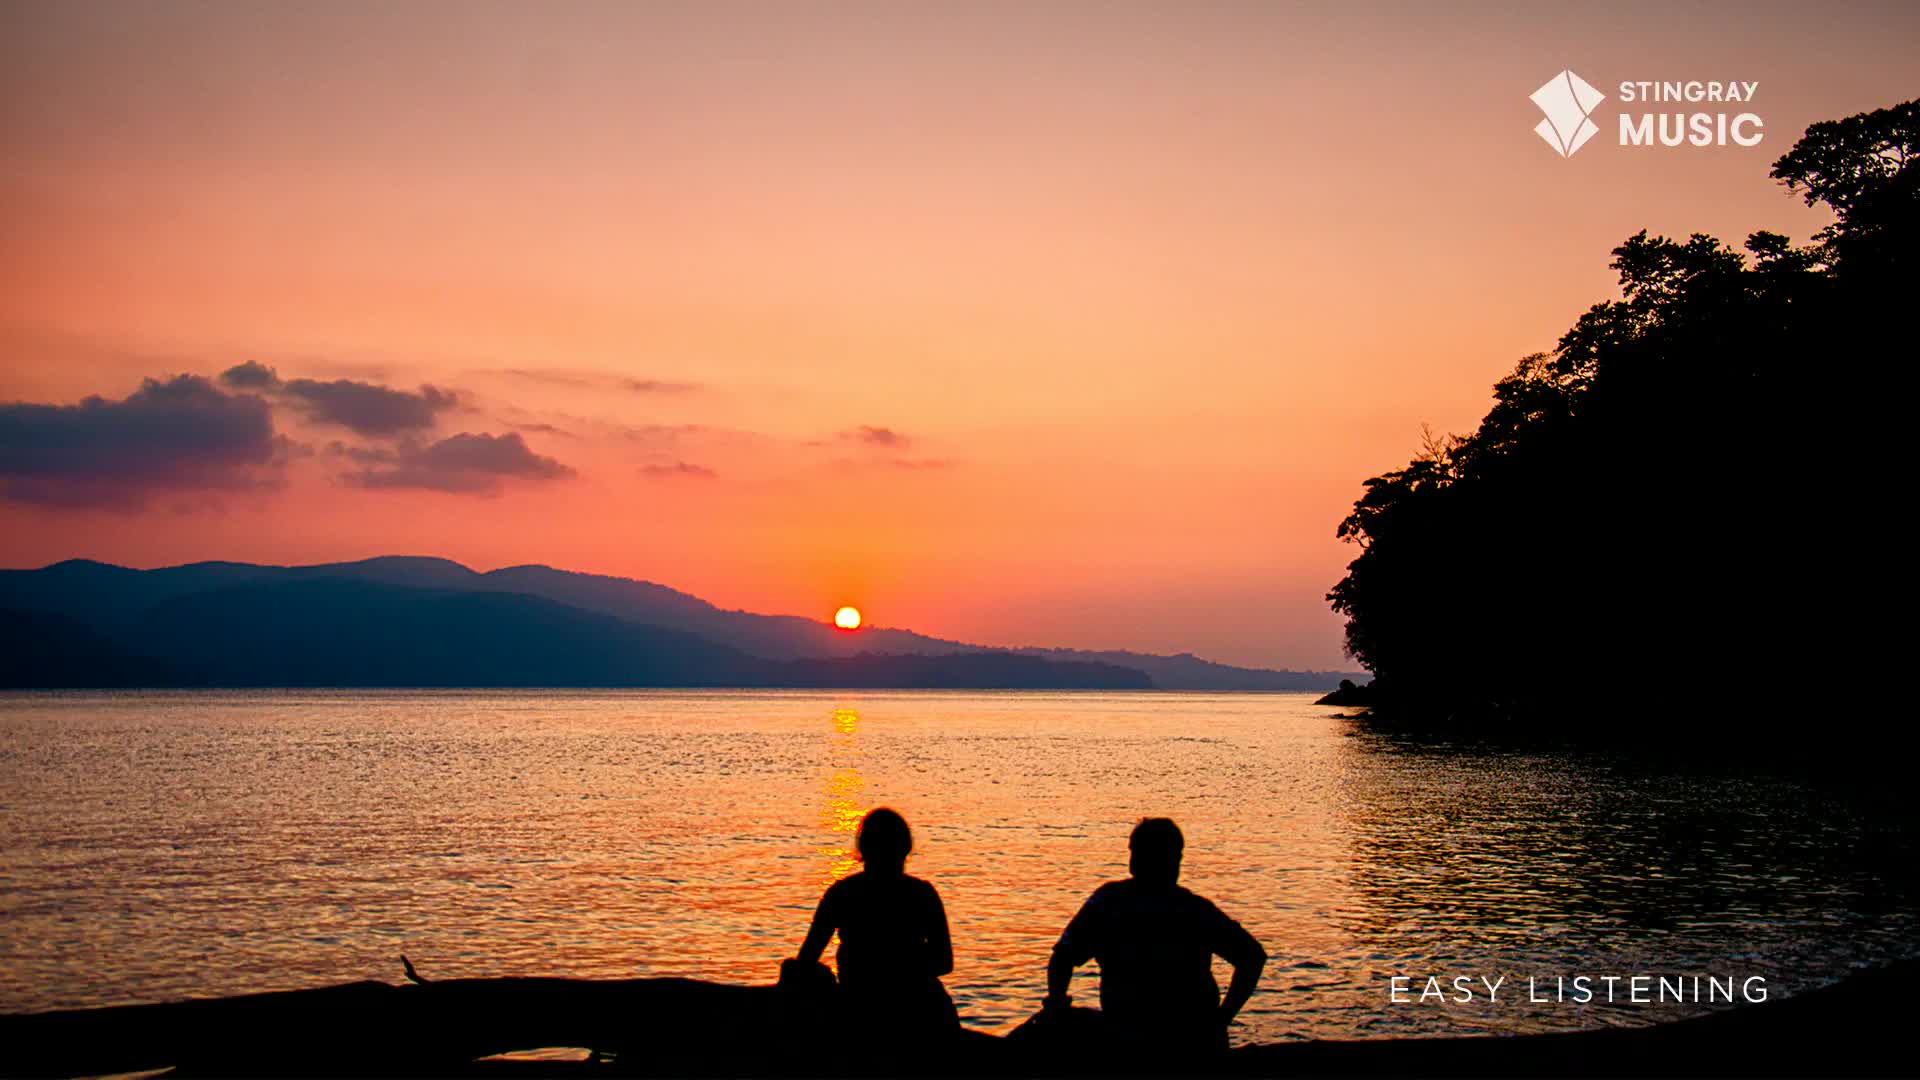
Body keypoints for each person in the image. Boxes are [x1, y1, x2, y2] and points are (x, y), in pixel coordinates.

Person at [1044, 817, 1265, 1056]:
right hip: (1181, 1038)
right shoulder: (1192, 909)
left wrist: (1057, 1004)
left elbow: (1062, 958)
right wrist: (1221, 1020)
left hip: (1159, 1040)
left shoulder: (1109, 903)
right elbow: (1252, 957)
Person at [795, 807, 959, 1044]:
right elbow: (944, 963)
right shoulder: (922, 894)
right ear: (904, 849)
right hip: (918, 1009)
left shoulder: (842, 893)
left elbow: (806, 961)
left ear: (864, 849)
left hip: (863, 1008)